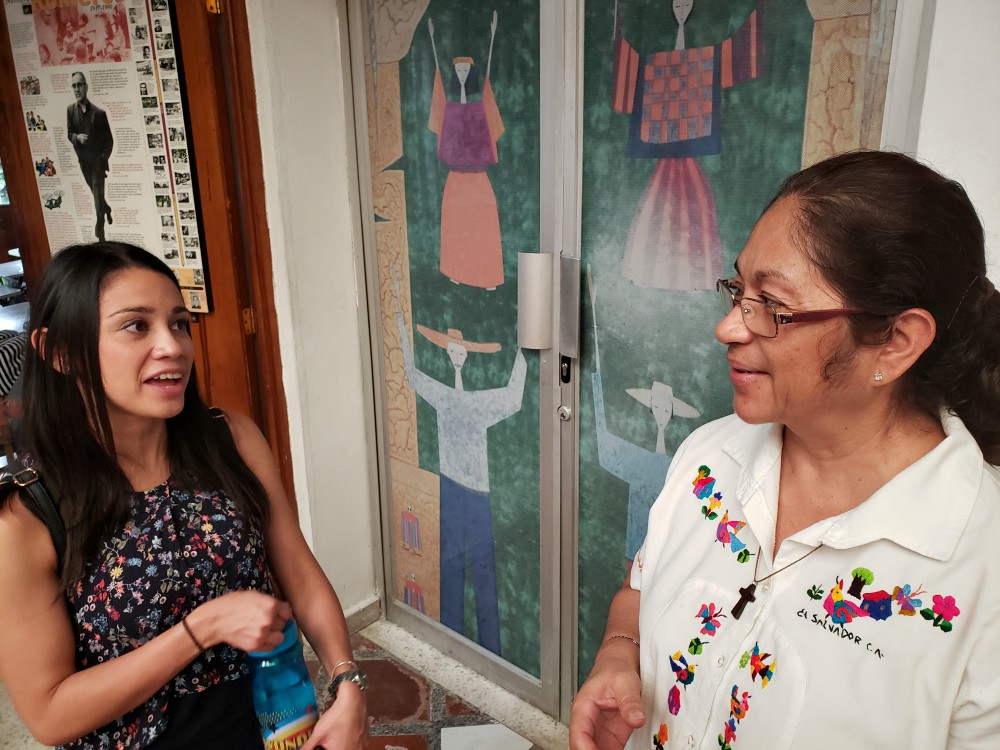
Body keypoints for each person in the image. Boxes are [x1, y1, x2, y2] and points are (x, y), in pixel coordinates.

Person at [569, 150, 1000, 749]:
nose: (729, 326)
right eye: (737, 289)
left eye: (773, 306)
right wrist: (619, 655)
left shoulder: (983, 567)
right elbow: (641, 585)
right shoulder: (709, 458)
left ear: (895, 342)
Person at [0, 242, 368, 749]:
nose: (172, 346)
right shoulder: (27, 515)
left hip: (278, 723)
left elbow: (298, 571)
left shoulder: (231, 439)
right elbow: (49, 713)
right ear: (57, 351)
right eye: (136, 325)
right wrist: (202, 627)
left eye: (178, 323)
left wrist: (347, 681)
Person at [67, 72, 114, 242]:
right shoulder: (70, 110)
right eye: (74, 86)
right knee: (97, 196)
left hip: (97, 164)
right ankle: (107, 208)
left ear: (86, 86)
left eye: (79, 85)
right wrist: (76, 137)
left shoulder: (99, 113)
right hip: (84, 163)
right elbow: (69, 133)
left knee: (96, 197)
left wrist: (103, 158)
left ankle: (100, 231)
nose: (77, 89)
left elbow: (109, 141)